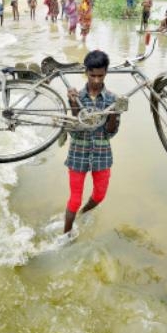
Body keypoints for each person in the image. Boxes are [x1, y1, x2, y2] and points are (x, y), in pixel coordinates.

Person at [63, 50, 120, 234]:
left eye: (100, 76)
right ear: (86, 72)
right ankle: (66, 234)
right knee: (75, 198)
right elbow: (75, 122)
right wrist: (72, 101)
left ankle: (83, 214)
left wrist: (114, 113)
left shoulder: (112, 99)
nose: (96, 80)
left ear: (106, 73)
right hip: (78, 153)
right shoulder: (77, 95)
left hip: (102, 155)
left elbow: (111, 132)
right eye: (92, 75)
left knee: (100, 195)